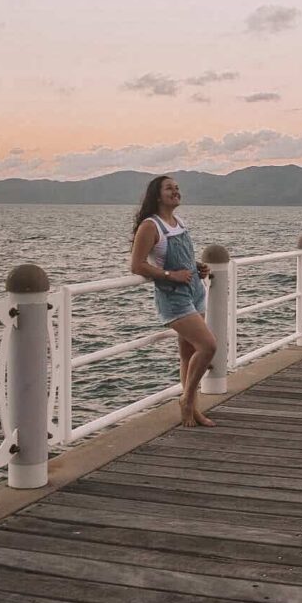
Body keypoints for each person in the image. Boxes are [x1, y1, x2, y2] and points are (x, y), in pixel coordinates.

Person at [131, 175, 217, 427]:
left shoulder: (179, 222)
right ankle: (187, 400)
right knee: (208, 346)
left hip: (194, 290)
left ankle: (192, 408)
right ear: (157, 196)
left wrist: (197, 266)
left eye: (177, 188)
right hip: (173, 296)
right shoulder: (150, 226)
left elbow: (184, 257)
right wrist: (170, 274)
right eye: (169, 188)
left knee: (188, 352)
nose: (175, 191)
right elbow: (137, 265)